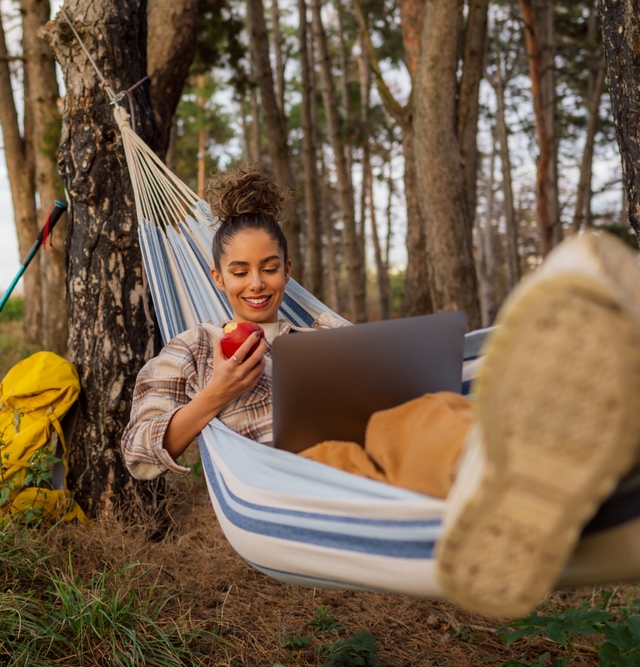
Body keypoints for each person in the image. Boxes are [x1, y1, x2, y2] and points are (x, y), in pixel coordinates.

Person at [121, 164, 640, 617]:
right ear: (216, 277)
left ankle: (523, 459)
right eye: (240, 272)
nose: (256, 283)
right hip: (288, 479)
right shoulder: (191, 348)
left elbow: (392, 386)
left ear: (287, 272)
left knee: (430, 406)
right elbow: (139, 451)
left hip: (377, 446)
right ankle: (494, 480)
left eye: (269, 268)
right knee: (353, 448)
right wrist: (215, 393)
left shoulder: (320, 332)